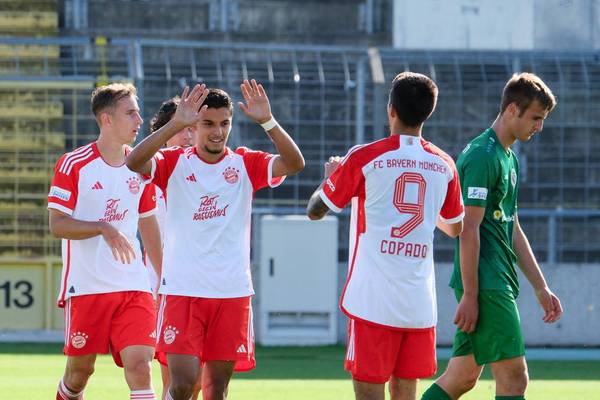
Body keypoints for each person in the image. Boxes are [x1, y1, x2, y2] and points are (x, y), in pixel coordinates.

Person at [126, 80, 305, 400]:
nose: (217, 131)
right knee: (180, 386)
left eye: (224, 123)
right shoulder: (174, 163)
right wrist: (175, 125)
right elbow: (134, 162)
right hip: (182, 291)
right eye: (208, 123)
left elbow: (294, 163)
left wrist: (268, 121)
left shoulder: (246, 163)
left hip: (231, 293)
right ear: (194, 126)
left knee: (215, 390)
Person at [307, 71, 465, 400]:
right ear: (429, 112)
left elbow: (316, 210)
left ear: (390, 109)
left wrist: (330, 179)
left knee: (368, 393)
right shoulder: (445, 165)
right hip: (418, 304)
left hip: (372, 301)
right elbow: (455, 227)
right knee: (406, 393)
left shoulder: (365, 157)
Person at [421, 73, 564, 400]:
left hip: (493, 281)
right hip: (486, 284)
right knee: (515, 378)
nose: (539, 127)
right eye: (536, 118)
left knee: (462, 377)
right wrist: (471, 295)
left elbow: (511, 226)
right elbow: (467, 229)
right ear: (513, 109)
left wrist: (540, 286)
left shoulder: (507, 156)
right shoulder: (484, 156)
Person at [48, 83, 161, 400]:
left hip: (133, 285)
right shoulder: (74, 164)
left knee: (141, 368)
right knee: (79, 374)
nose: (139, 120)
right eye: (131, 113)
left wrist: (164, 279)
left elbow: (149, 223)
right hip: (87, 286)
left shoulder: (142, 166)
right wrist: (103, 228)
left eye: (138, 112)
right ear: (106, 119)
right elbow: (57, 225)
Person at [146, 96, 200, 400]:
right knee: (176, 376)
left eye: (194, 129)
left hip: (204, 283)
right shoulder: (151, 172)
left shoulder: (206, 170)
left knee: (200, 380)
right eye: (182, 129)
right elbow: (148, 227)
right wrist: (164, 278)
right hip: (164, 282)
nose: (189, 136)